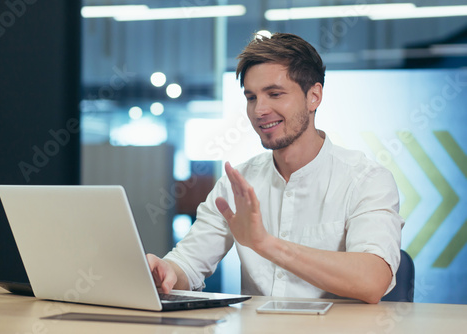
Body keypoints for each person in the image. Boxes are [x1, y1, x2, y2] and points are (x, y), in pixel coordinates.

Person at [147, 32, 404, 304]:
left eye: (275, 94)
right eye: (251, 97)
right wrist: (168, 272)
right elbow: (188, 264)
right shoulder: (238, 184)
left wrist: (266, 244)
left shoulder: (366, 179)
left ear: (314, 96)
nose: (260, 110)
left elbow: (372, 280)